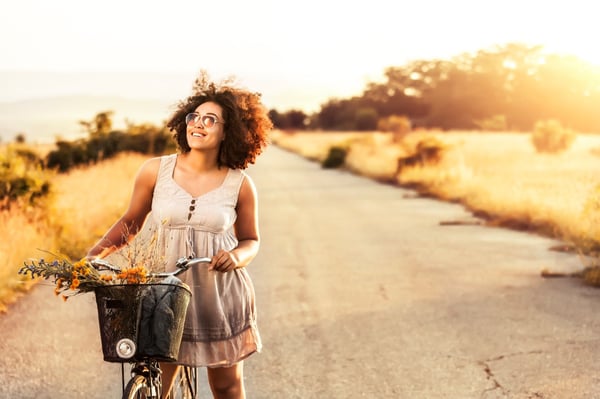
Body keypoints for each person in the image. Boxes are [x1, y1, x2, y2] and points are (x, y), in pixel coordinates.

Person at [86, 71, 272, 399]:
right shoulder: (154, 170)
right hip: (163, 294)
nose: (198, 124)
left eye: (211, 119)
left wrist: (237, 256)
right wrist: (93, 255)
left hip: (218, 295)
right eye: (194, 116)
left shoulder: (240, 183)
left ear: (232, 131)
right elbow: (130, 221)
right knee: (160, 382)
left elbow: (250, 240)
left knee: (227, 387)